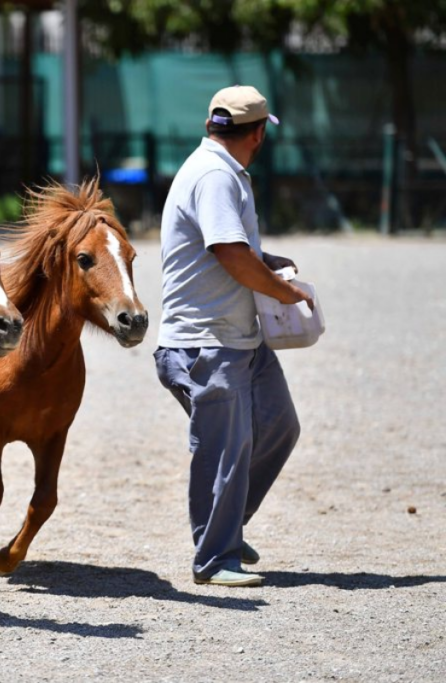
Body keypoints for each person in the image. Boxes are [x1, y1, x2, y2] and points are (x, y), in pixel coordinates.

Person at [153, 85, 314, 587]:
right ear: (259, 133)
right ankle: (215, 557)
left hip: (237, 336)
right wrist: (282, 293)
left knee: (277, 427)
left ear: (212, 124)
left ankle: (224, 530)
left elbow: (230, 248)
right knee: (225, 447)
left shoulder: (220, 171)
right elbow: (228, 253)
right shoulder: (215, 176)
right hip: (205, 342)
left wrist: (264, 262)